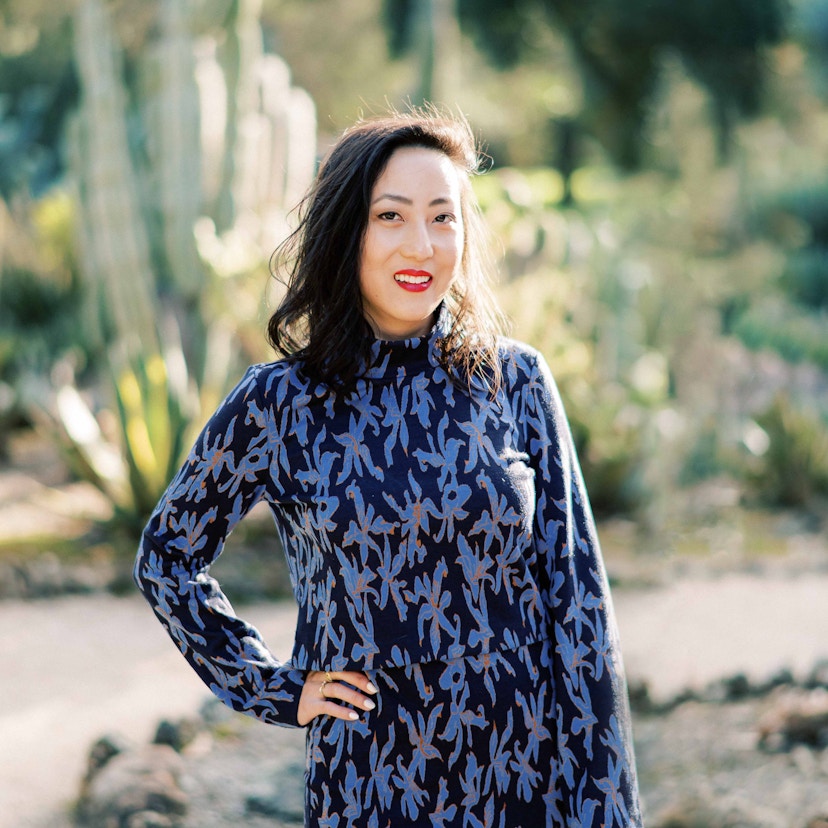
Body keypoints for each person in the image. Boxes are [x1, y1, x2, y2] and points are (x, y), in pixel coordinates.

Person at [134, 109, 643, 827]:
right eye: (391, 216)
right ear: (348, 231)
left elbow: (580, 612)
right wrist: (275, 688)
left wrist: (606, 808)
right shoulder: (281, 403)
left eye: (443, 217)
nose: (422, 244)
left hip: (529, 777)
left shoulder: (517, 381)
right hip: (370, 784)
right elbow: (168, 557)